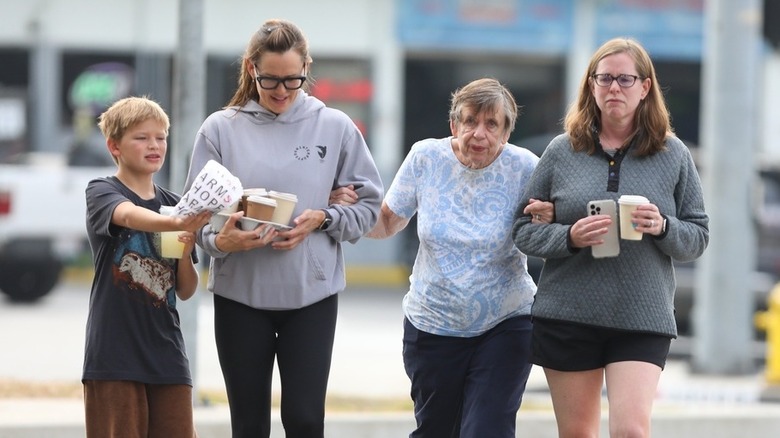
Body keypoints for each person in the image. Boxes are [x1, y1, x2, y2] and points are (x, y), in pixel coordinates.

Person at [182, 19, 383, 437]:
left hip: (312, 294)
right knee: (249, 424)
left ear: (308, 68)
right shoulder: (220, 129)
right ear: (251, 68)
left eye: (293, 79)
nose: (281, 91)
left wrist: (324, 218)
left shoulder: (336, 127)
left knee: (306, 419)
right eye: (271, 79)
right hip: (240, 294)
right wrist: (222, 240)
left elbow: (368, 205)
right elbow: (193, 217)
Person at [511, 38, 709, 437]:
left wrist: (663, 227)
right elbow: (522, 231)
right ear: (591, 85)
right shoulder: (561, 151)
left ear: (645, 87)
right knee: (578, 433)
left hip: (643, 315)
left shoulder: (673, 154)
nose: (614, 88)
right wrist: (569, 237)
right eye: (604, 79)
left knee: (631, 431)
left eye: (624, 79)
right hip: (568, 313)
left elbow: (698, 235)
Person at [366, 77, 553, 438]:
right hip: (432, 323)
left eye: (491, 124)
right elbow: (388, 220)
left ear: (506, 132)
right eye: (470, 121)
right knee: (436, 430)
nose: (479, 133)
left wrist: (547, 220)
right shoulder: (426, 157)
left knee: (487, 429)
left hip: (506, 322)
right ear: (454, 124)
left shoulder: (526, 167)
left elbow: (540, 235)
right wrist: (343, 216)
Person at [82, 96, 212, 438]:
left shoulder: (174, 204)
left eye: (161, 137)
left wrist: (185, 248)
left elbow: (185, 289)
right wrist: (177, 223)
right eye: (141, 138)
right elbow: (126, 214)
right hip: (114, 353)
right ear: (115, 146)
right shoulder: (102, 190)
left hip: (167, 352)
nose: (154, 145)